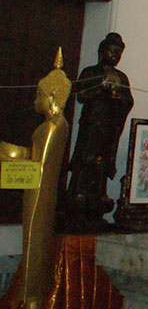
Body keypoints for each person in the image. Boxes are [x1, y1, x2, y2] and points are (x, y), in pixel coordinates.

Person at [0, 50, 70, 309]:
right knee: (33, 241)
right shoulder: (55, 125)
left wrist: (8, 154)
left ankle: (30, 297)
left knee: (34, 242)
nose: (35, 101)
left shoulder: (52, 126)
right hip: (39, 190)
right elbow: (35, 156)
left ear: (51, 96)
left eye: (38, 95)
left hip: (39, 191)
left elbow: (38, 164)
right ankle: (28, 294)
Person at [65, 32, 134, 228]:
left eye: (118, 54)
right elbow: (81, 95)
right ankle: (78, 198)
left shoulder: (121, 77)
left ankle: (98, 199)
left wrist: (118, 98)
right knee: (86, 162)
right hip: (92, 127)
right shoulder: (90, 72)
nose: (115, 57)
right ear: (102, 51)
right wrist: (100, 90)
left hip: (110, 129)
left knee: (102, 165)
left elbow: (129, 101)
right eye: (112, 52)